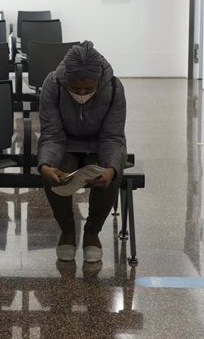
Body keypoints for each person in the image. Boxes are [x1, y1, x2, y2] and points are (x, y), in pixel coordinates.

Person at [37, 41, 127, 264]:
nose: (82, 93)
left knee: (110, 176)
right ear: (66, 79)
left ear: (98, 80)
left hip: (99, 144)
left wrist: (111, 168)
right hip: (65, 143)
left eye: (89, 89)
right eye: (76, 89)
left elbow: (112, 137)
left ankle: (92, 232)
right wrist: (46, 165)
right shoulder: (53, 84)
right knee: (55, 175)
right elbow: (52, 134)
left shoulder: (114, 88)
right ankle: (67, 229)